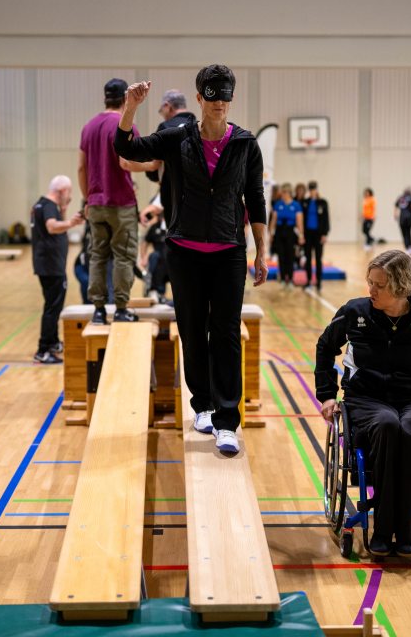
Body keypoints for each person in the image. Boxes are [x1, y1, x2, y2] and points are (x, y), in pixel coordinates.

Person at [114, 65, 269, 456]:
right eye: (212, 96)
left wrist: (262, 251)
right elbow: (128, 148)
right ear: (198, 99)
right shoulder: (177, 137)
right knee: (193, 330)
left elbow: (255, 199)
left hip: (230, 253)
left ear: (231, 100)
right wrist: (130, 109)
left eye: (225, 97)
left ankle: (227, 420)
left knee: (227, 333)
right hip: (184, 252)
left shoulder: (246, 144)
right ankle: (202, 405)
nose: (219, 103)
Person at [314, 250, 411, 557]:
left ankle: (407, 530)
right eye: (370, 282)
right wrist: (327, 394)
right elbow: (325, 346)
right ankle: (384, 531)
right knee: (387, 424)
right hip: (365, 399)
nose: (370, 290)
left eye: (379, 285)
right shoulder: (355, 312)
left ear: (401, 287)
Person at [79, 77, 158, 325]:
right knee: (123, 256)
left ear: (105, 98)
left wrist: (88, 199)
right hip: (121, 202)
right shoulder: (125, 124)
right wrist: (153, 164)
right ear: (126, 98)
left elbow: (81, 168)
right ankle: (121, 308)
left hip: (96, 203)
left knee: (98, 256)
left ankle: (99, 310)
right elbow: (125, 162)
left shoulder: (88, 127)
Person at [31, 175, 84, 364]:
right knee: (52, 308)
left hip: (48, 264)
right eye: (68, 193)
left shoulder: (42, 205)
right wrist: (71, 222)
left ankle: (53, 342)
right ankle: (43, 349)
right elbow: (52, 227)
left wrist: (64, 210)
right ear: (61, 191)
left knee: (54, 305)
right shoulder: (48, 206)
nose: (68, 197)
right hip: (51, 265)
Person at [145, 89, 198, 227]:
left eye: (161, 110)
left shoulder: (165, 127)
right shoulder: (198, 126)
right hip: (196, 192)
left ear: (168, 106)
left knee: (175, 237)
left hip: (171, 191)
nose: (162, 114)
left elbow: (154, 164)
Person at [270, 182, 303, 286]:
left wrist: (301, 235)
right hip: (280, 232)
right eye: (282, 192)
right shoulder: (278, 204)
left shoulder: (296, 205)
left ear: (289, 193)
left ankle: (291, 277)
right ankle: (283, 277)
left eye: (285, 192)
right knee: (281, 255)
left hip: (290, 232)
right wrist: (271, 234)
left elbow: (299, 222)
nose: (283, 194)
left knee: (290, 255)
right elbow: (273, 221)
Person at [303, 180, 330, 291]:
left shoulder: (323, 202)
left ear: (316, 189)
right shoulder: (306, 202)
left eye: (314, 189)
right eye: (310, 189)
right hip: (308, 234)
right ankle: (308, 281)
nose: (312, 191)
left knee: (318, 259)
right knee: (308, 258)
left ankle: (319, 282)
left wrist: (324, 234)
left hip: (318, 234)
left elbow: (326, 219)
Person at [395, 188, 411, 254]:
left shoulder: (400, 197)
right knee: (409, 233)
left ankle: (407, 247)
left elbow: (396, 206)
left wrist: (395, 215)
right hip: (409, 218)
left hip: (402, 218)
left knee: (404, 233)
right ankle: (410, 247)